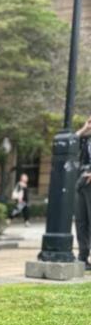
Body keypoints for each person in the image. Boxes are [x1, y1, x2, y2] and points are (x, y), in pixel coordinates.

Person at [75, 115, 91, 268]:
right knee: (81, 221)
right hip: (81, 182)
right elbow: (70, 143)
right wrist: (83, 129)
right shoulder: (86, 139)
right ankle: (83, 257)